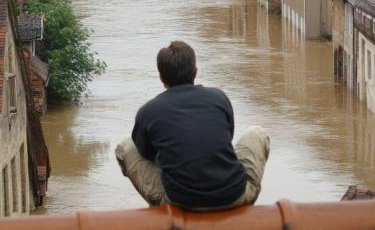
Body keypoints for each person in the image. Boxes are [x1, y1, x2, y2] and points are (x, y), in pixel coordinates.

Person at [115, 41, 270, 210]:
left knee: (125, 147)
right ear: (195, 72)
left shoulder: (148, 111)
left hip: (180, 203)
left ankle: (161, 209)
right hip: (235, 196)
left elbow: (146, 154)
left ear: (161, 78)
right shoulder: (219, 97)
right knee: (257, 133)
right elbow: (227, 137)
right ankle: (235, 206)